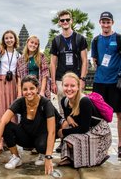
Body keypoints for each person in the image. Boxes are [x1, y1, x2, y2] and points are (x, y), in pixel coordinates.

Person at [0, 75, 65, 175]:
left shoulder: (46, 103)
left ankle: (42, 154)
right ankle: (16, 157)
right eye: (25, 89)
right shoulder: (19, 102)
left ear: (37, 88)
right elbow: (2, 121)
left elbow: (52, 132)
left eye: (32, 88)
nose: (28, 92)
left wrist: (48, 156)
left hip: (41, 137)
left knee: (42, 146)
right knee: (7, 126)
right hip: (26, 137)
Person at [57, 72, 112, 168]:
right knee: (66, 128)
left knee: (69, 140)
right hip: (87, 129)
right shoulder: (64, 101)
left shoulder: (84, 101)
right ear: (62, 86)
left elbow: (84, 128)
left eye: (72, 86)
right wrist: (68, 118)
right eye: (66, 85)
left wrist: (63, 132)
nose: (69, 89)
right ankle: (69, 157)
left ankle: (98, 156)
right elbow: (67, 117)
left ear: (78, 87)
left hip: (99, 131)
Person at [91, 11, 121, 157]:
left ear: (112, 23)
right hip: (99, 82)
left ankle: (120, 145)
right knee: (98, 115)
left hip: (116, 82)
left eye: (108, 22)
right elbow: (95, 60)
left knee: (119, 114)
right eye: (103, 22)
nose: (106, 24)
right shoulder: (96, 40)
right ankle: (99, 146)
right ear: (100, 23)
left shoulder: (119, 38)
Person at [50, 10, 88, 115]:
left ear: (71, 21)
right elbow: (53, 63)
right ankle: (65, 128)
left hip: (76, 76)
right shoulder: (56, 40)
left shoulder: (80, 38)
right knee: (62, 108)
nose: (65, 22)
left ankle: (77, 129)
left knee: (78, 107)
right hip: (60, 78)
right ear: (59, 22)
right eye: (62, 20)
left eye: (67, 19)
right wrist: (53, 82)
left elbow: (84, 60)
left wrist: (83, 79)